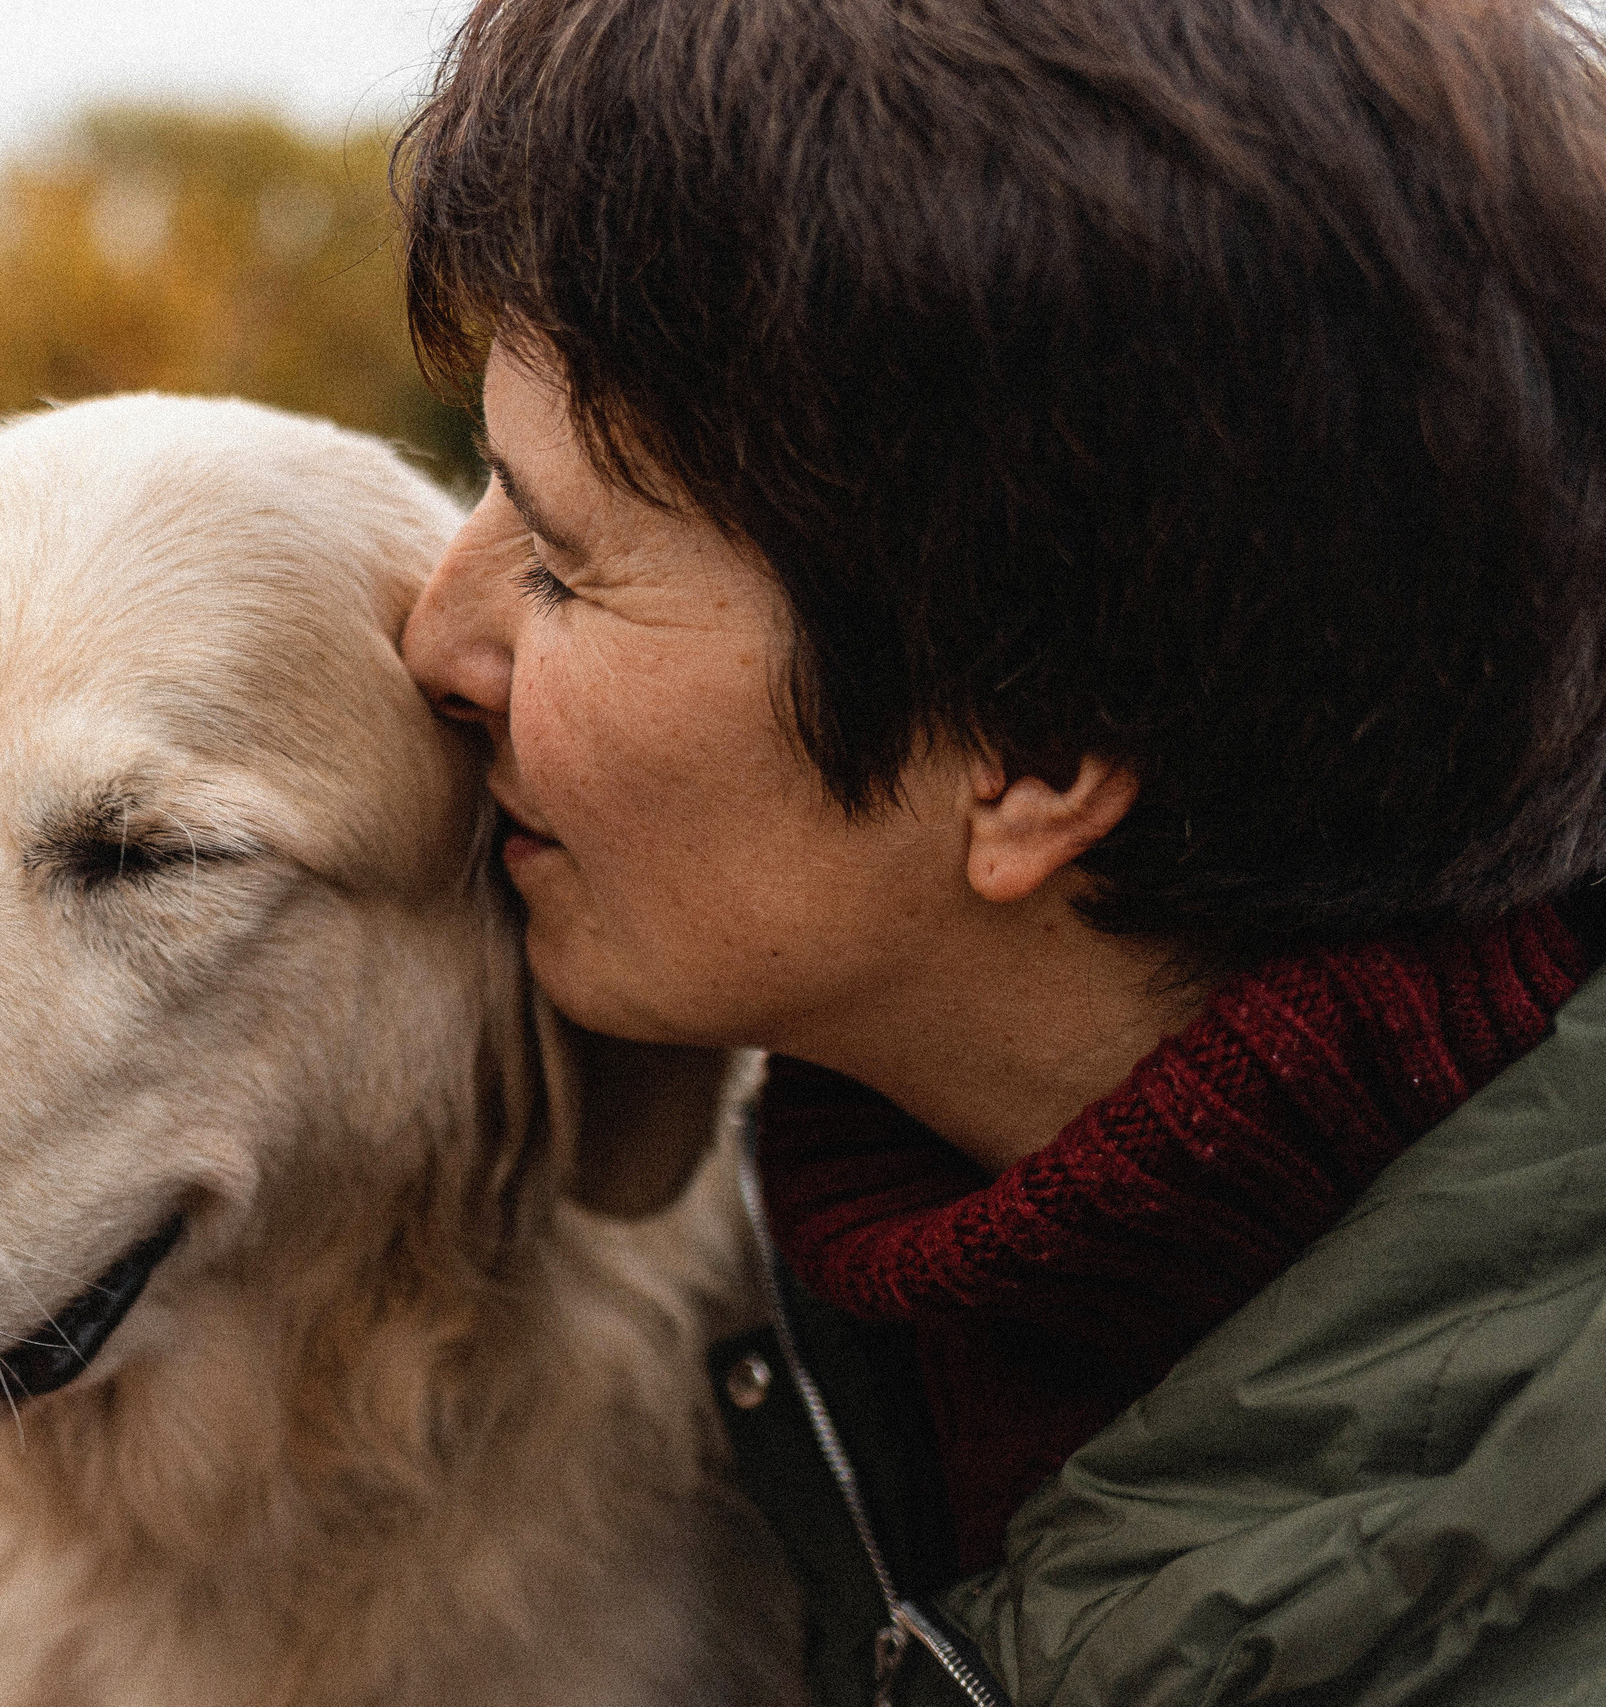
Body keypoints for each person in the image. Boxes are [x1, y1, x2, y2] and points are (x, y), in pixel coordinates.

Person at [394, 0, 1606, 1702]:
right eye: (480, 481)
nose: (439, 642)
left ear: (1029, 751)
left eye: (566, 563)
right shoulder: (851, 1333)